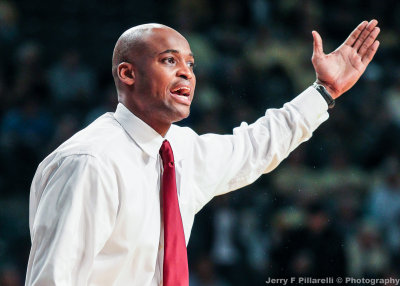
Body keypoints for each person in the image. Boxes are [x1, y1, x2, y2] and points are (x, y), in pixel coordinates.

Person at [25, 20, 380, 286]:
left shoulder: (182, 149)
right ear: (128, 73)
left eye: (191, 64)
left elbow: (257, 145)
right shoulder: (91, 162)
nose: (186, 72)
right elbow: (53, 279)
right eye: (169, 60)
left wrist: (324, 91)